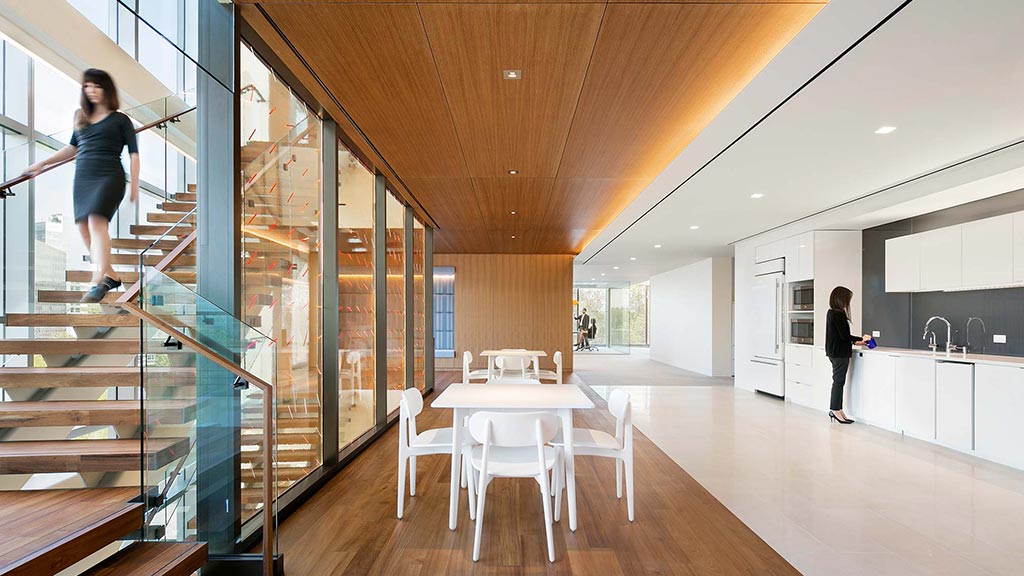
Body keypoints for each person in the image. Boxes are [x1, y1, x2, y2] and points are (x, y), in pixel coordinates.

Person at [24, 69, 139, 303]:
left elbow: (134, 154)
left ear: (106, 89)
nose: (91, 90)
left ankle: (98, 278)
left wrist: (135, 185)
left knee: (97, 220)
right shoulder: (81, 117)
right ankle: (112, 275)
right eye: (87, 86)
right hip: (84, 176)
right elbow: (72, 149)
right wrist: (42, 163)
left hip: (109, 175)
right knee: (83, 227)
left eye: (96, 86)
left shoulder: (120, 120)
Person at [825, 286, 870, 424]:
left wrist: (857, 341)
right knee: (839, 382)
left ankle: (838, 410)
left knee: (838, 382)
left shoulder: (831, 312)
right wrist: (861, 339)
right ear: (840, 299)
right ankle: (835, 410)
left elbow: (841, 336)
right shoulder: (838, 314)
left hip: (834, 352)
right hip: (839, 353)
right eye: (847, 299)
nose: (847, 302)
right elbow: (844, 336)